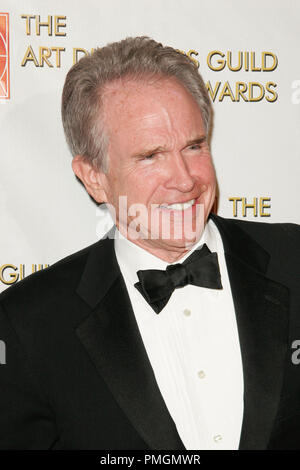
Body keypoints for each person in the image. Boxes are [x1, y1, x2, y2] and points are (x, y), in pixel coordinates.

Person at [0, 36, 299, 450]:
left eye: (194, 146)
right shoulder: (29, 325)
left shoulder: (294, 260)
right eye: (150, 156)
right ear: (94, 177)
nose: (185, 179)